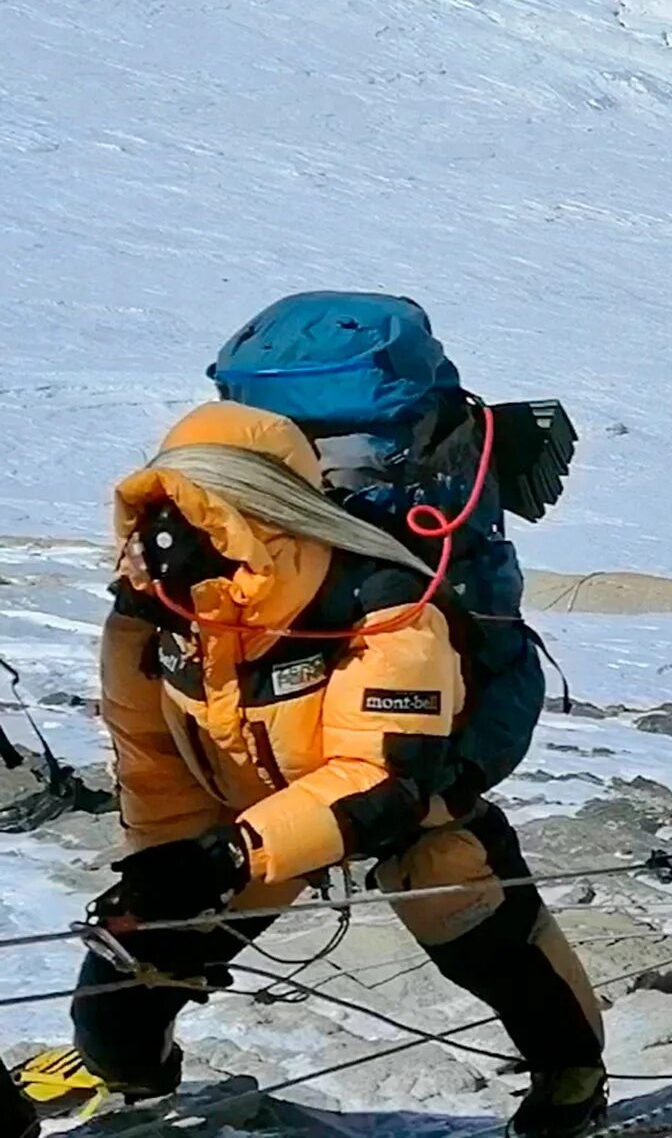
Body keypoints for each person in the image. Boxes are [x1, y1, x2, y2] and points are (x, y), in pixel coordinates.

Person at [72, 406, 605, 1137]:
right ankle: (144, 1093)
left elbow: (381, 778)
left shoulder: (383, 602)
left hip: (406, 810)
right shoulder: (161, 609)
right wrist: (164, 861)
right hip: (253, 820)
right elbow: (151, 748)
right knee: (118, 1001)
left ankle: (573, 1084)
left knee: (497, 954)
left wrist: (228, 856)